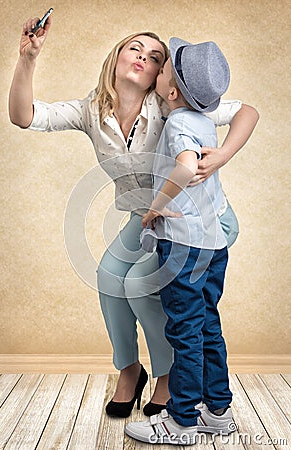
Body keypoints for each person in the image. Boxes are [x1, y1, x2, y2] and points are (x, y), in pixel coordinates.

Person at [9, 13, 259, 419]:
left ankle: (167, 376)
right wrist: (28, 59)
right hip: (147, 219)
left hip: (194, 223)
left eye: (155, 55)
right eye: (135, 48)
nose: (143, 56)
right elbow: (23, 116)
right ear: (117, 58)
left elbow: (247, 111)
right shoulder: (92, 111)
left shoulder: (170, 107)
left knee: (140, 285)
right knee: (110, 277)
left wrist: (222, 156)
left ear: (163, 76)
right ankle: (130, 370)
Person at [125, 38, 241, 445]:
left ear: (171, 91)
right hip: (213, 244)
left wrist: (155, 208)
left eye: (165, 67)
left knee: (185, 330)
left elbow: (186, 168)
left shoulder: (176, 124)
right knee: (208, 323)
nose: (158, 69)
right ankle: (218, 411)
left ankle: (182, 421)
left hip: (185, 245)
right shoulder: (205, 121)